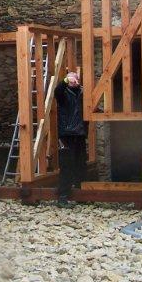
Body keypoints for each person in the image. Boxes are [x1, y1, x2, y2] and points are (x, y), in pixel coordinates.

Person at [54, 71, 88, 208]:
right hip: (67, 134)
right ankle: (62, 197)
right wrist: (66, 81)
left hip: (79, 134)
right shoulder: (63, 93)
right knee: (66, 165)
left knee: (80, 164)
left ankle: (81, 196)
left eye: (75, 78)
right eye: (71, 78)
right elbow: (57, 90)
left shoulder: (82, 92)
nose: (74, 80)